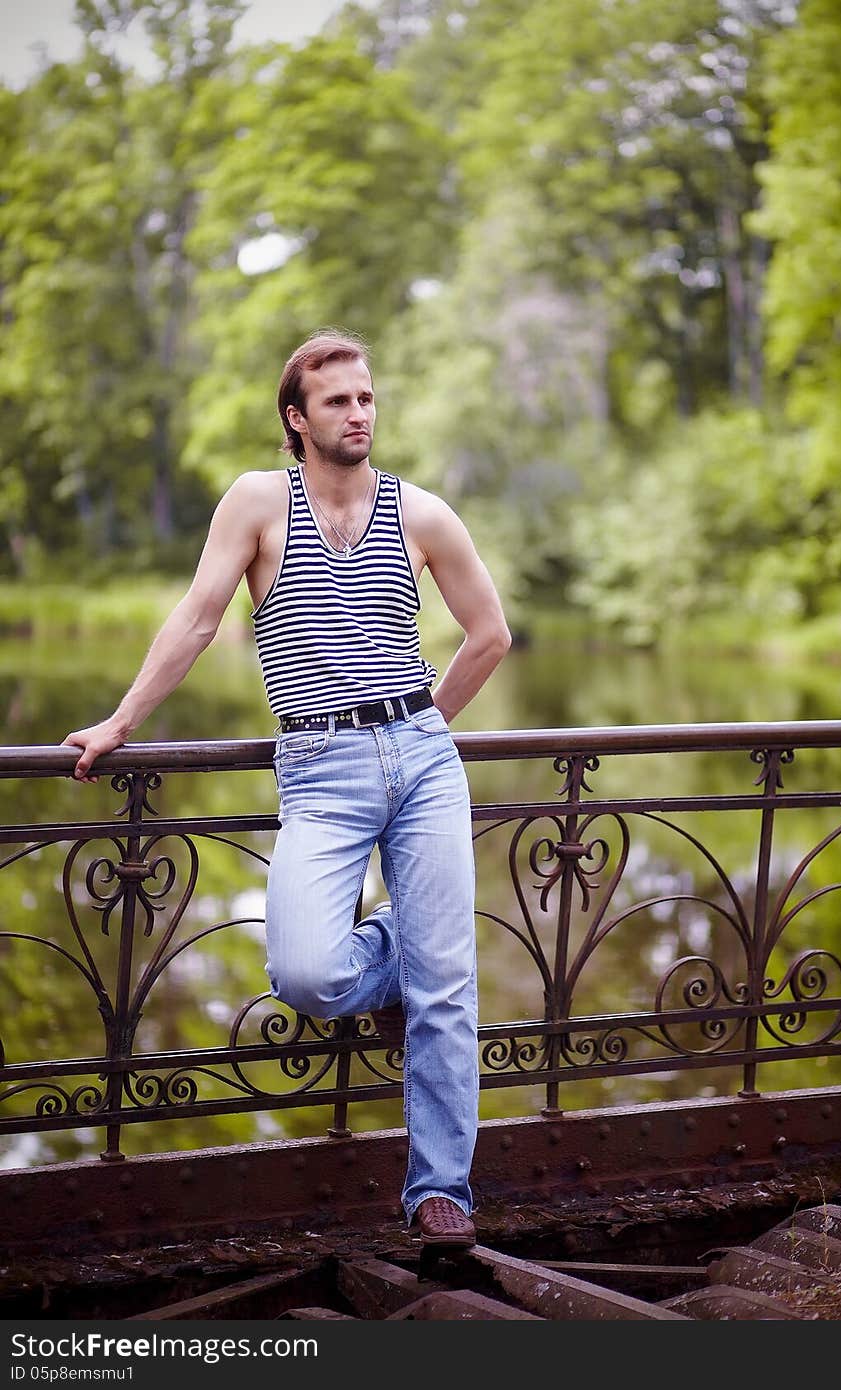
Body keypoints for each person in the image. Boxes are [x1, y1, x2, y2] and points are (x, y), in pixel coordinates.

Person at [63, 328, 511, 1248]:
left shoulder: (420, 511)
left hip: (422, 758)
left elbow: (489, 634)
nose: (359, 413)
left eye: (368, 397)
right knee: (308, 972)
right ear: (295, 417)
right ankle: (402, 949)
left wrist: (421, 723)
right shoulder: (259, 504)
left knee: (447, 994)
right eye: (339, 400)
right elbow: (196, 619)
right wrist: (120, 723)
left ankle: (442, 1198)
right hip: (320, 770)